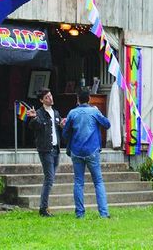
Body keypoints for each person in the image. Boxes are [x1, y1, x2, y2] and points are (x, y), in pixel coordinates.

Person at [62, 90, 111, 218]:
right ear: (89, 98)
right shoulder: (94, 112)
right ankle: (104, 213)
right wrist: (99, 113)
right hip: (92, 150)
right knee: (98, 182)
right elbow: (107, 124)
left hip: (76, 151)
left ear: (78, 99)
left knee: (78, 182)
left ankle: (80, 213)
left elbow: (65, 133)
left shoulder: (72, 113)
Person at [27, 88, 65, 217]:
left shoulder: (56, 113)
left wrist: (62, 124)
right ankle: (43, 208)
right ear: (42, 100)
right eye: (47, 97)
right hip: (45, 149)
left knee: (51, 177)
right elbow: (33, 126)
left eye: (51, 95)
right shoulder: (39, 113)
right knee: (49, 178)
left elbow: (59, 126)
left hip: (56, 148)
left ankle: (44, 206)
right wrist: (33, 118)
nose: (50, 98)